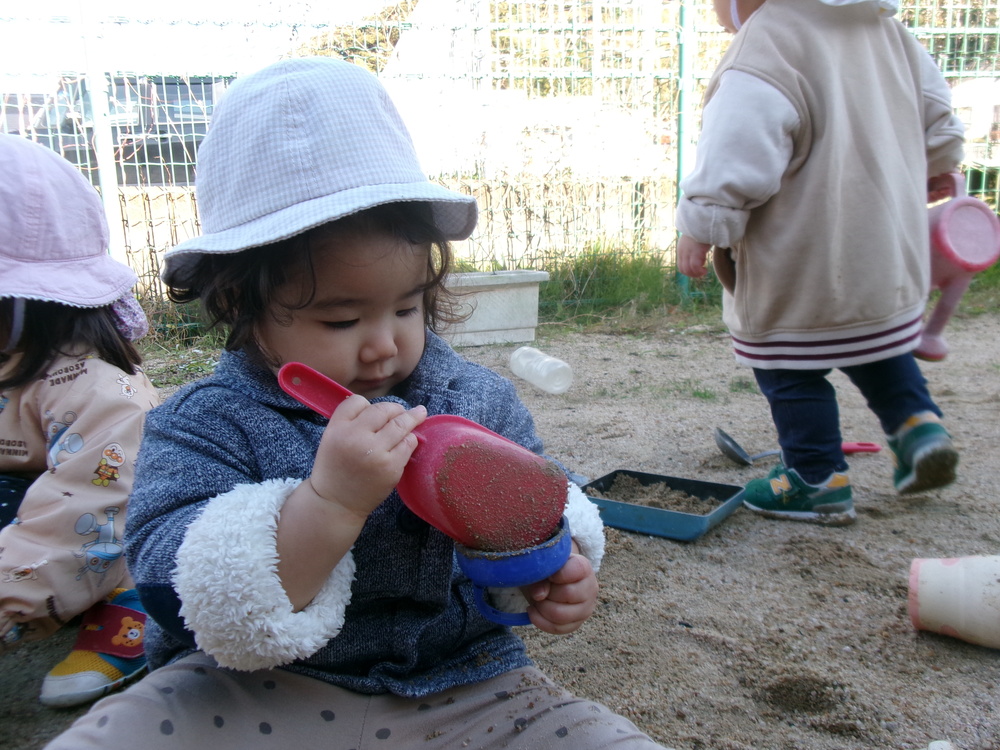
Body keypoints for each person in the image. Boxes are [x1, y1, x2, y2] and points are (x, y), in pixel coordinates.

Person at [47, 58, 671, 749]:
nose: (382, 347)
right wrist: (330, 505)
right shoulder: (203, 425)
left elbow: (542, 500)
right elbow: (174, 587)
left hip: (463, 684)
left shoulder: (472, 400)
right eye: (341, 321)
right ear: (239, 303)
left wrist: (554, 568)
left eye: (406, 307)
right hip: (249, 695)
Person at [675, 0, 965, 526]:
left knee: (788, 366)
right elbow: (933, 105)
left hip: (801, 256)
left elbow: (736, 149)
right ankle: (919, 427)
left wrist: (704, 225)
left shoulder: (767, 46)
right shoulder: (881, 28)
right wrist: (940, 161)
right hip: (882, 248)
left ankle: (815, 480)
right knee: (875, 342)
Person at [0, 134, 159, 706]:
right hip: (27, 505)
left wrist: (10, 601)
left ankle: (133, 607)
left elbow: (86, 508)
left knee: (154, 546)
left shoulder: (97, 389)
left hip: (105, 525)